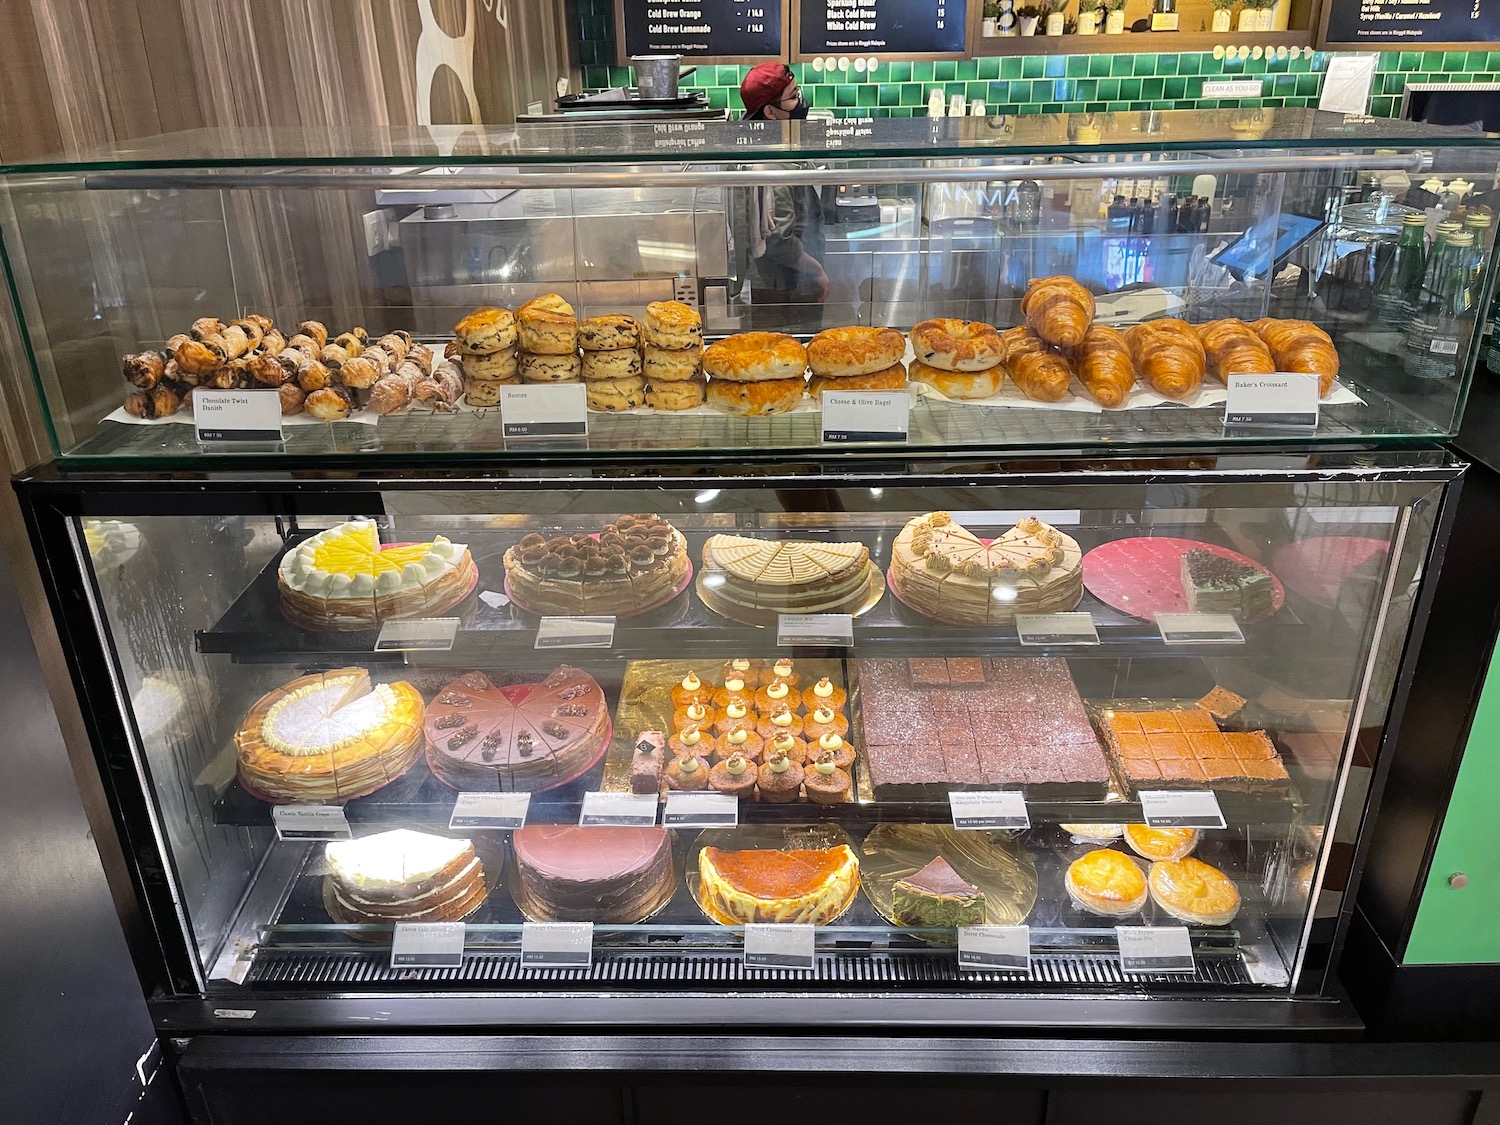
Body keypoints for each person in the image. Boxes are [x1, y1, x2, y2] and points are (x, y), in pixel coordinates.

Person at [734, 62, 829, 326]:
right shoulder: (768, 166)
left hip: (786, 282)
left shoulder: (772, 147)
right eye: (793, 97)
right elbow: (776, 239)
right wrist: (817, 271)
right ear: (771, 113)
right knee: (786, 355)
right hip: (784, 286)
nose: (801, 102)